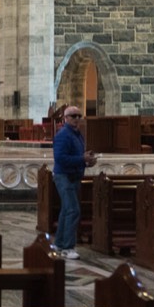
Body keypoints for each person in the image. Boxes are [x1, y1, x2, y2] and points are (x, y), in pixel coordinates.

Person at [52, 105, 97, 260]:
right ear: (65, 118)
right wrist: (81, 159)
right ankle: (67, 247)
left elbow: (77, 156)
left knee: (66, 210)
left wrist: (87, 161)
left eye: (79, 116)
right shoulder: (63, 135)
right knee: (73, 210)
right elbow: (60, 158)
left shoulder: (77, 134)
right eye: (73, 116)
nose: (77, 119)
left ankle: (58, 243)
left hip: (73, 175)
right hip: (64, 176)